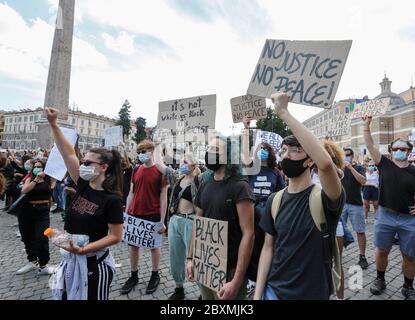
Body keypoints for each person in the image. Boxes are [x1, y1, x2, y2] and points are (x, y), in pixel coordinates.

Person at [254, 92, 345, 300]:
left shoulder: (324, 198)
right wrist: (258, 296)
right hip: (274, 292)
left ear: (309, 160)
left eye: (294, 150)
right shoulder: (274, 201)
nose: (286, 155)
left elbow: (326, 164)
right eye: (283, 150)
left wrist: (283, 112)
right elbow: (268, 249)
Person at [45, 107, 123, 300]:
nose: (83, 165)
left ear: (103, 167)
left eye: (88, 163)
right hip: (71, 261)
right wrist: (54, 124)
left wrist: (83, 249)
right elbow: (67, 154)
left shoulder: (111, 200)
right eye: (83, 161)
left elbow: (115, 236)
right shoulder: (82, 183)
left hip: (94, 265)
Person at [186, 135, 255, 300]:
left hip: (229, 270)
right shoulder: (205, 184)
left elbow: (249, 234)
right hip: (205, 265)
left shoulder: (240, 187)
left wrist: (237, 280)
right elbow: (198, 223)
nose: (209, 152)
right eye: (209, 148)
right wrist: (190, 258)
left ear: (229, 156)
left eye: (216, 150)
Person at [363, 116, 415, 300]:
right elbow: (369, 146)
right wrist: (367, 126)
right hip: (385, 215)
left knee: (409, 255)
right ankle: (380, 279)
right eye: (396, 148)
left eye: (404, 148)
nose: (400, 151)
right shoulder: (384, 164)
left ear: (409, 151)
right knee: (382, 250)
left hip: (409, 219)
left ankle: (408, 286)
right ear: (390, 151)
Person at [121, 140, 169, 295]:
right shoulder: (136, 169)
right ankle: (133, 275)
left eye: (144, 151)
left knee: (154, 246)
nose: (141, 154)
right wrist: (126, 214)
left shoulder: (161, 171)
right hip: (135, 213)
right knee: (133, 245)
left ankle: (155, 275)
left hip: (152, 213)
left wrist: (162, 221)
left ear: (152, 151)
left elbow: (164, 197)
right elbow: (131, 193)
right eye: (139, 152)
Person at [167, 154, 201, 300]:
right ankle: (179, 288)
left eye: (186, 162)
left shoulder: (198, 181)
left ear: (194, 165)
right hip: (175, 220)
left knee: (195, 257)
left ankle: (203, 291)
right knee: (175, 256)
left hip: (190, 221)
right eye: (181, 162)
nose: (182, 164)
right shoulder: (178, 180)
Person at [16, 159, 55, 275]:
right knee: (27, 237)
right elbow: (24, 190)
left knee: (42, 238)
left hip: (42, 211)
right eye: (35, 166)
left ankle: (43, 265)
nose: (37, 168)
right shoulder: (30, 178)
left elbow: (50, 193)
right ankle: (32, 261)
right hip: (26, 211)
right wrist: (36, 180)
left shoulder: (50, 179)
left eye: (40, 166)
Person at [341, 148, 369, 270]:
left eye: (347, 155)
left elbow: (363, 181)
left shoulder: (358, 168)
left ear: (352, 156)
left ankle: (362, 256)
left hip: (355, 204)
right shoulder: (339, 168)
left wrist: (351, 168)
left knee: (360, 231)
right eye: (344, 155)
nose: (346, 157)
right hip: (341, 204)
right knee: (339, 230)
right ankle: (337, 256)